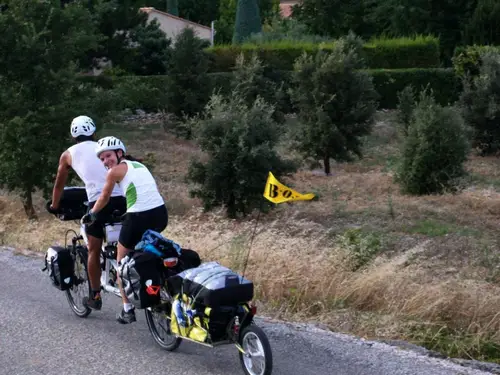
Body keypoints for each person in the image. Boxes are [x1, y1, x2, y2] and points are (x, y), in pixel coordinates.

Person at [82, 136, 169, 324]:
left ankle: (127, 309)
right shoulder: (140, 166)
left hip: (138, 217)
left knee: (121, 262)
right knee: (147, 250)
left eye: (108, 156)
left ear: (119, 153)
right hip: (161, 214)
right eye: (102, 159)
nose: (105, 161)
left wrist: (92, 214)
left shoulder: (114, 172)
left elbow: (104, 197)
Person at [48, 116, 127, 311]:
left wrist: (55, 205)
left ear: (73, 136)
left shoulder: (68, 154)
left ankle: (95, 295)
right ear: (93, 131)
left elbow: (59, 183)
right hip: (123, 199)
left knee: (93, 248)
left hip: (99, 203)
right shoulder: (104, 147)